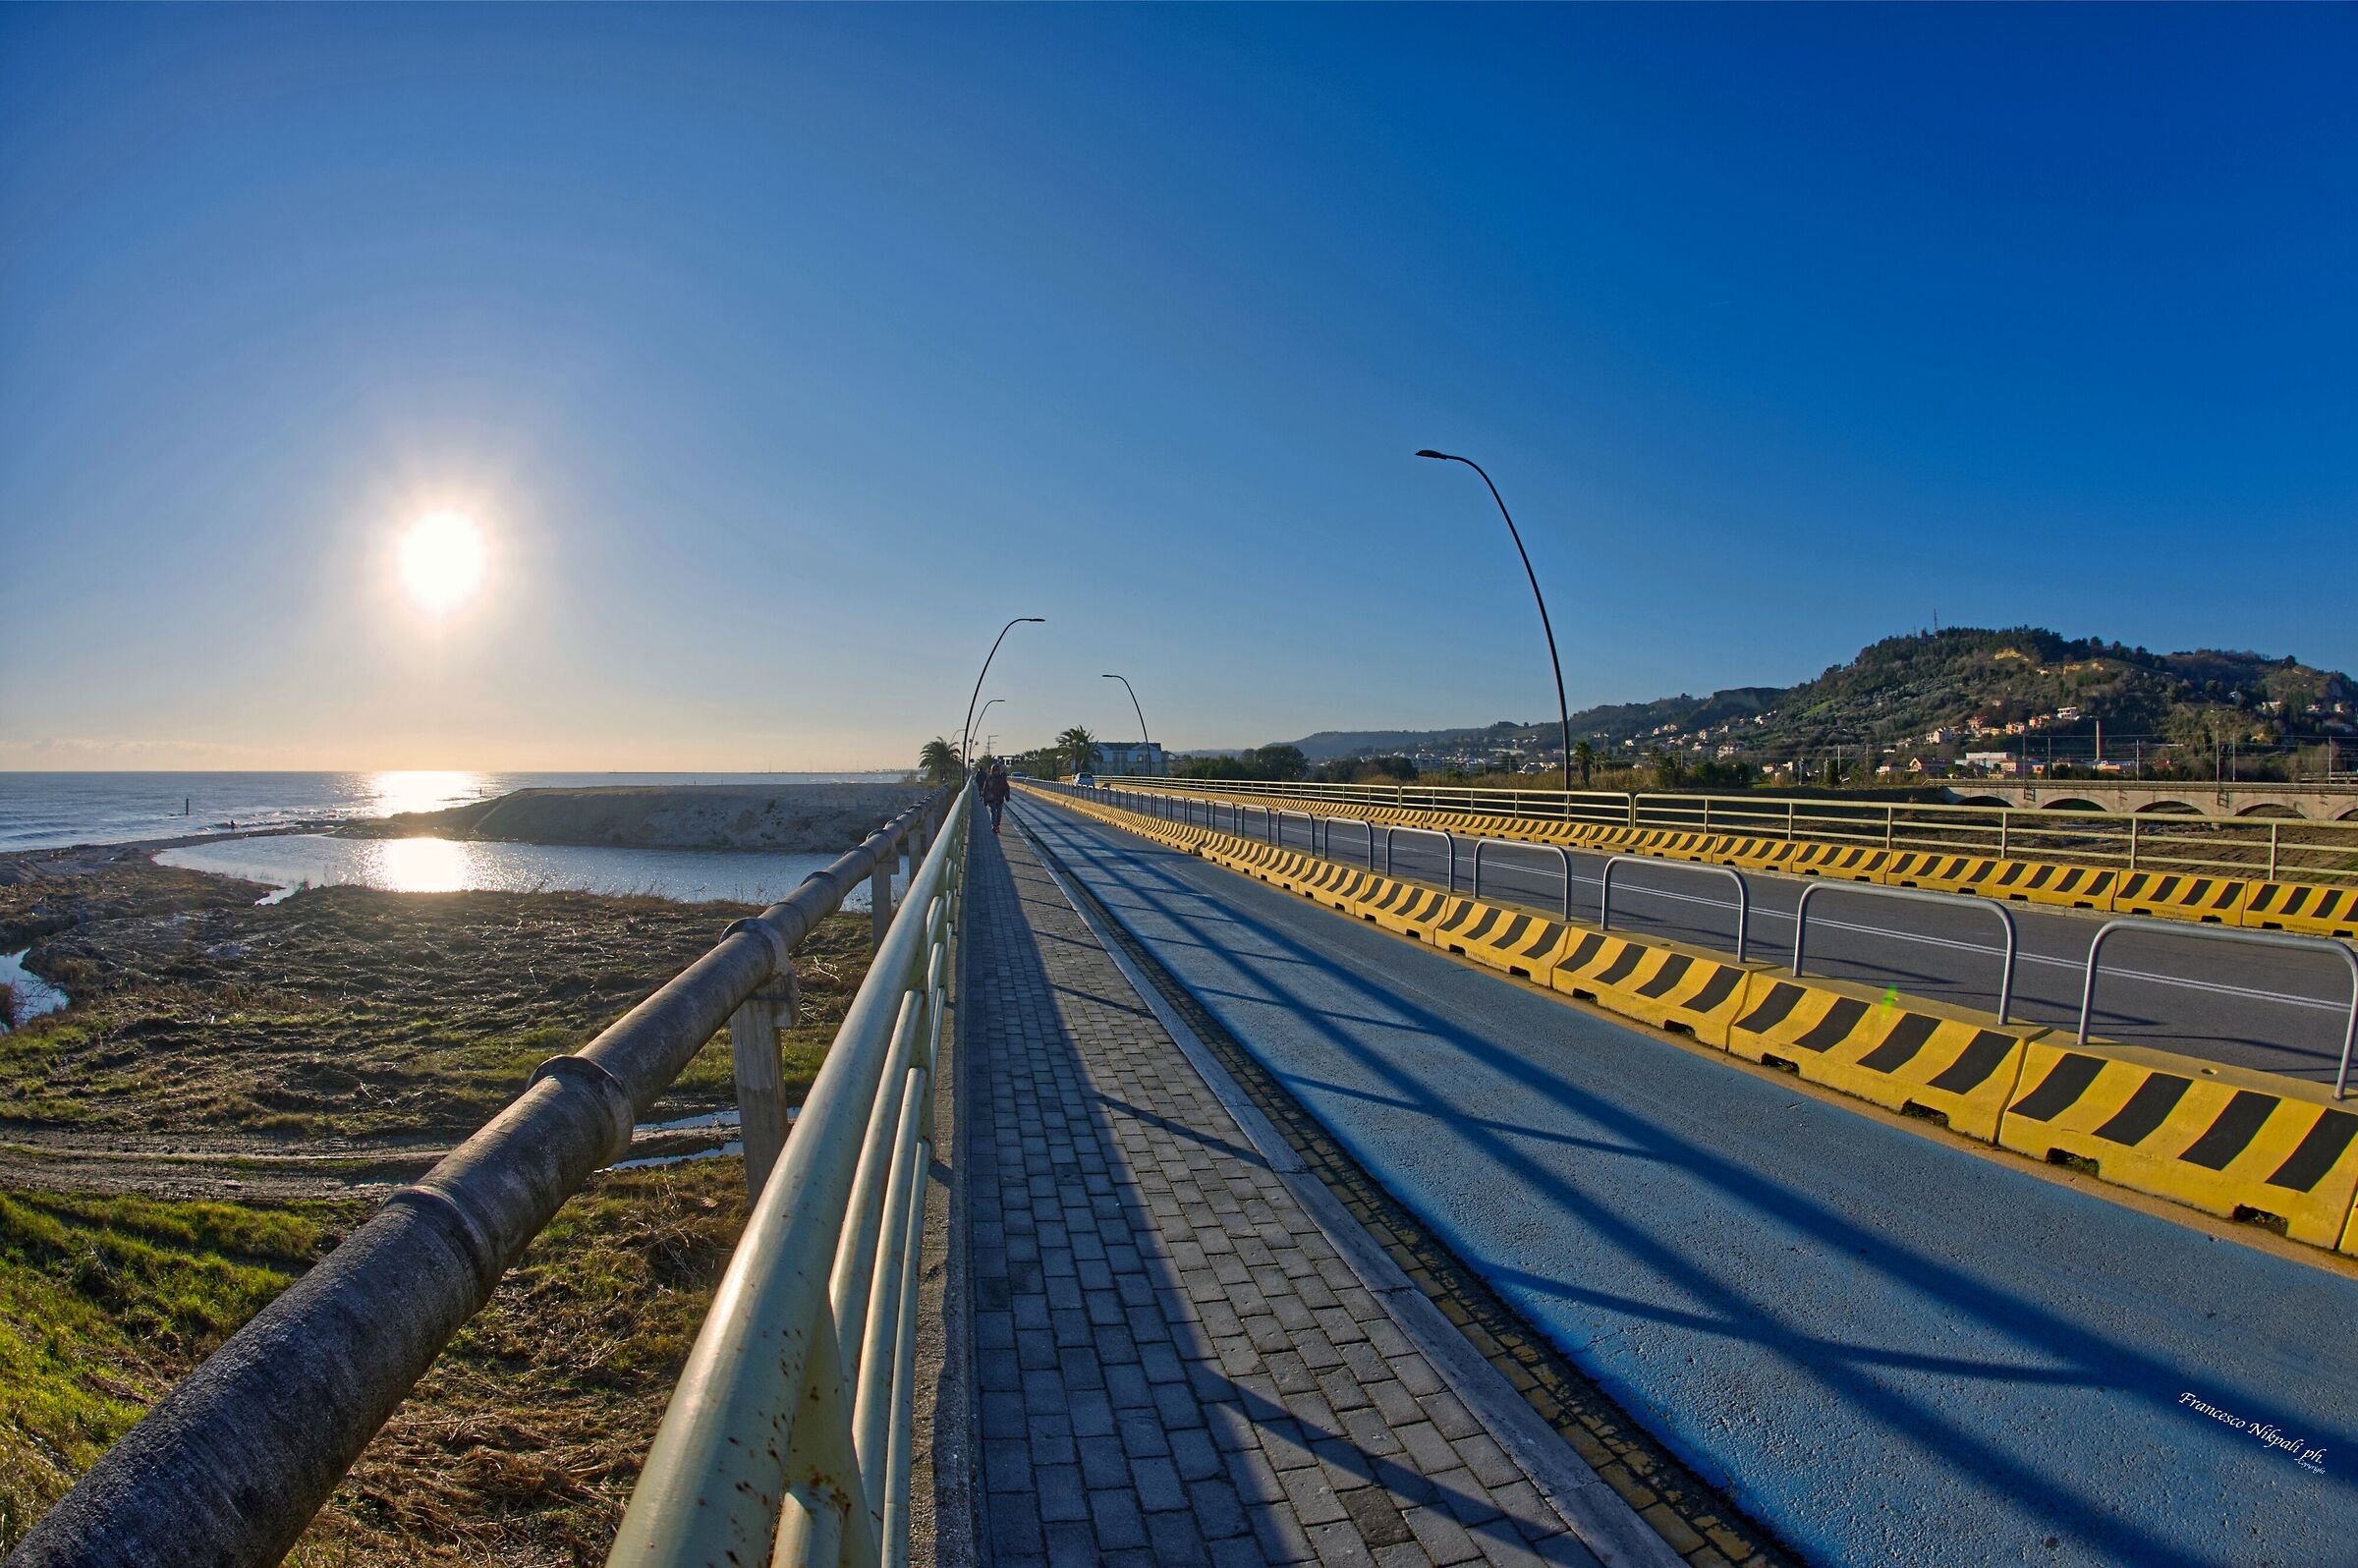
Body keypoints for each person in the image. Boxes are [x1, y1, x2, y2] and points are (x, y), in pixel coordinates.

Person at [982, 758, 1011, 834]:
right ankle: (994, 826)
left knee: (999, 813)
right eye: (994, 771)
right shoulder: (989, 779)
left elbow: (1006, 788)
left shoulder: (1002, 779)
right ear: (992, 771)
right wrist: (985, 800)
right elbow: (985, 790)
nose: (996, 772)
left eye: (997, 771)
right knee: (993, 812)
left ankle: (997, 825)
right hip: (991, 799)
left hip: (1000, 798)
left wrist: (1007, 796)